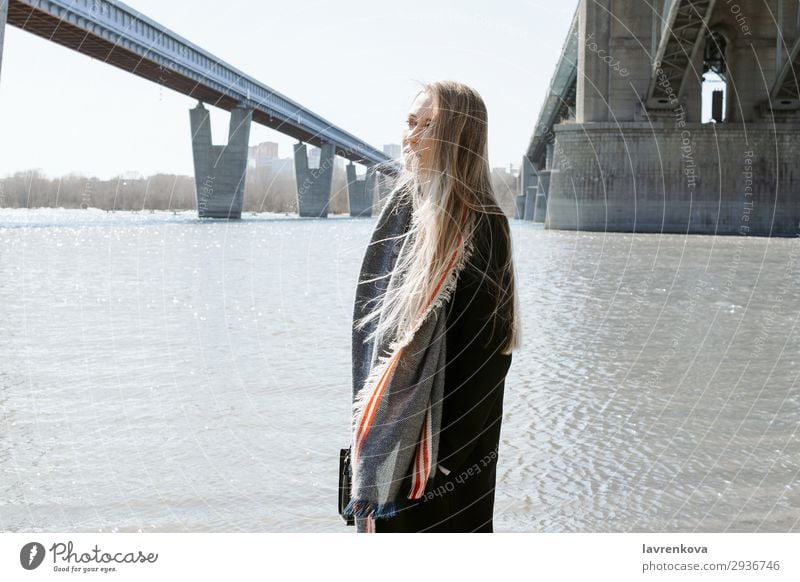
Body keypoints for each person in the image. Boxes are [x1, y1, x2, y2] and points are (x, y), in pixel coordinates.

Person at [347, 80, 520, 533]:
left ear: (461, 137)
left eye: (430, 125)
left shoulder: (483, 224)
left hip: (444, 453)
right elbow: (370, 336)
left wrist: (441, 462)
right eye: (411, 122)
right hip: (385, 434)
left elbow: (489, 354)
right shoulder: (401, 209)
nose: (413, 136)